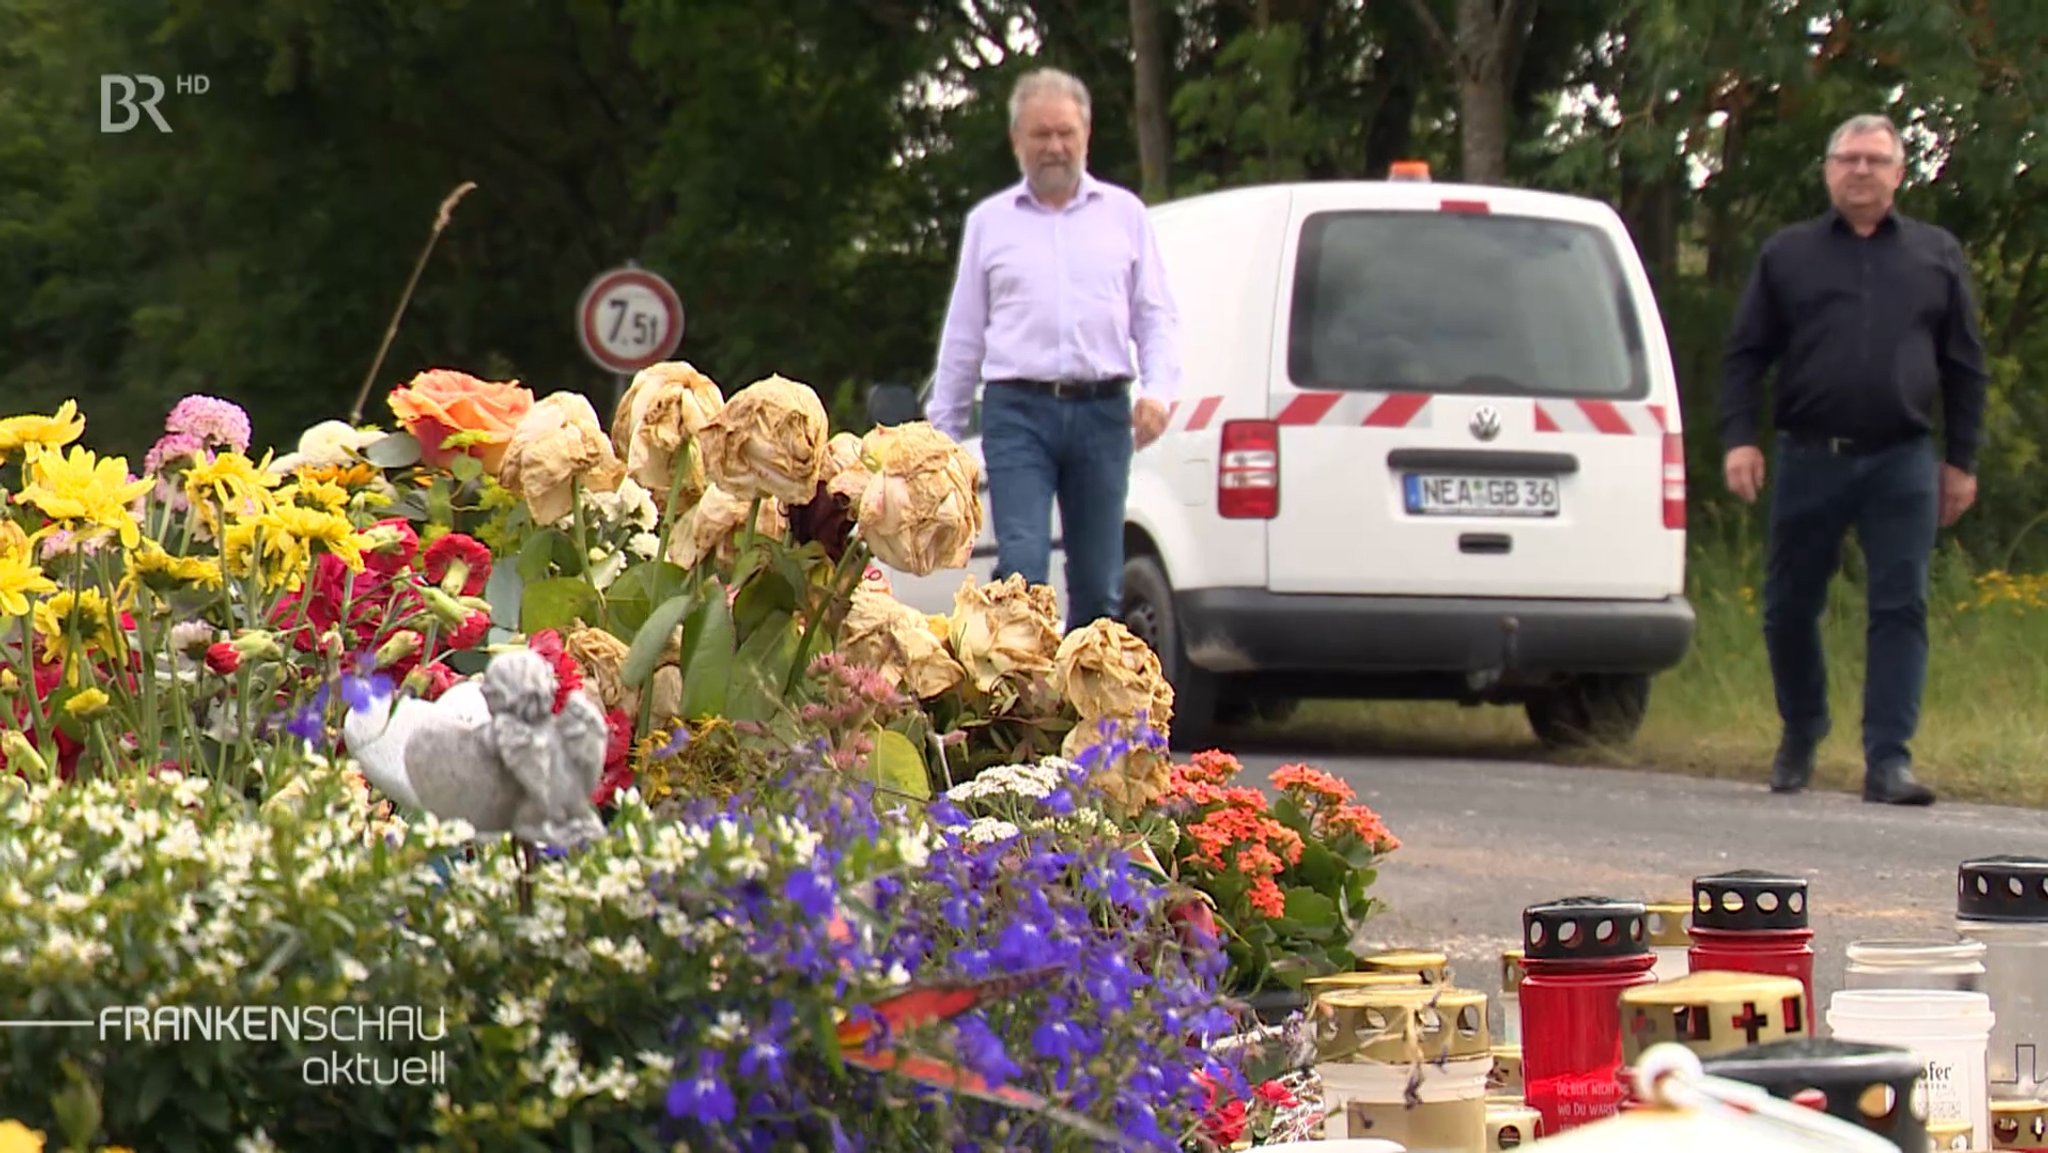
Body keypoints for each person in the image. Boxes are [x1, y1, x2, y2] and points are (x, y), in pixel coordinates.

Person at [1718, 112, 1988, 807]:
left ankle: (1888, 760)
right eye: (1848, 159)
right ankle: (1802, 730)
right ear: (1828, 170)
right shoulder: (1789, 255)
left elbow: (1964, 365)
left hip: (1902, 458)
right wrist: (1739, 437)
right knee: (1787, 607)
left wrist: (1963, 459)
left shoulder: (1936, 255)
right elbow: (1747, 355)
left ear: (1899, 173)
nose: (1861, 170)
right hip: (1810, 455)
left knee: (1901, 606)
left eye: (1875, 160)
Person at [927, 66, 1182, 631]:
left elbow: (1155, 316)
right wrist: (938, 436)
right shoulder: (990, 224)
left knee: (1099, 582)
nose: (1054, 147)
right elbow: (964, 334)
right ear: (1017, 141)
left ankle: (1087, 708)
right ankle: (1018, 702)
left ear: (1086, 136)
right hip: (1018, 412)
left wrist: (1160, 393)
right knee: (1021, 565)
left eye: (1065, 133)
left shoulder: (1125, 216)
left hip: (1103, 412)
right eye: (1040, 135)